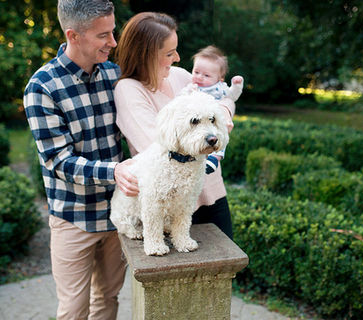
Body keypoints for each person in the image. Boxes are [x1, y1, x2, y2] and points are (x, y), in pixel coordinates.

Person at [23, 1, 138, 319]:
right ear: (74, 35)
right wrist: (114, 171)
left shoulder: (114, 75)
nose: (113, 42)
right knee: (74, 309)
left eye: (112, 31)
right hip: (73, 219)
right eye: (104, 35)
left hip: (117, 215)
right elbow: (58, 161)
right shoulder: (42, 88)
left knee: (108, 299)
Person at [113, 12, 235, 239]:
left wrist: (225, 110)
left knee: (226, 269)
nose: (178, 58)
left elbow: (222, 95)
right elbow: (161, 145)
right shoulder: (129, 90)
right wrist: (214, 124)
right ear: (146, 55)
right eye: (169, 53)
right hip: (169, 207)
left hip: (212, 193)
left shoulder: (179, 76)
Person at [187, 45, 244, 174]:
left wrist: (236, 85)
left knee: (220, 136)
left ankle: (215, 158)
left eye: (206, 75)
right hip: (200, 122)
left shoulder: (220, 88)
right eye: (196, 72)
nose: (200, 77)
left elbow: (232, 97)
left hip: (214, 120)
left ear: (220, 79)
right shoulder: (192, 87)